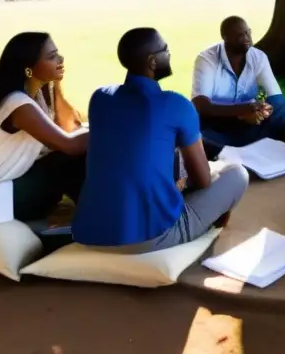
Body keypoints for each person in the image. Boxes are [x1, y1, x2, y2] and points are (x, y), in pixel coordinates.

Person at [72, 28, 249, 253]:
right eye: (165, 50)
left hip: (89, 234)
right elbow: (203, 180)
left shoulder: (99, 97)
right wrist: (184, 182)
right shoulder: (176, 104)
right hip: (151, 237)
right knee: (236, 174)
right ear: (152, 62)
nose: (169, 54)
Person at [0, 32, 87, 222]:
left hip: (0, 192)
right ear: (29, 69)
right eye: (51, 57)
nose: (61, 59)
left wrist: (56, 85)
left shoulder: (36, 96)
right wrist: (111, 128)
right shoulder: (18, 105)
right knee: (65, 161)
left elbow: (69, 128)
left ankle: (97, 211)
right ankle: (101, 216)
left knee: (69, 158)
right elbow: (69, 144)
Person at [191, 16, 285, 154]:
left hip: (249, 121)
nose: (247, 38)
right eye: (240, 35)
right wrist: (242, 111)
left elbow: (276, 97)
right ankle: (253, 145)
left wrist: (262, 110)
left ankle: (230, 148)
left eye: (248, 32)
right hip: (217, 120)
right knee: (196, 134)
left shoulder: (259, 57)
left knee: (281, 108)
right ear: (225, 37)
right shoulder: (207, 59)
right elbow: (201, 106)